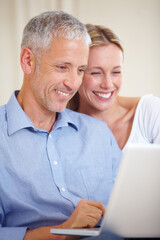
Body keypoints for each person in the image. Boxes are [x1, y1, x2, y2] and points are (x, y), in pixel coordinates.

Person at [0, 12, 122, 240]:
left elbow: (133, 210)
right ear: (28, 60)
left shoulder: (98, 133)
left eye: (80, 70)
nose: (73, 83)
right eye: (62, 67)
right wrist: (64, 232)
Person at [68, 24, 160, 150]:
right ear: (77, 73)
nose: (108, 84)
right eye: (96, 73)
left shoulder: (150, 112)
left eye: (116, 72)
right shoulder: (62, 128)